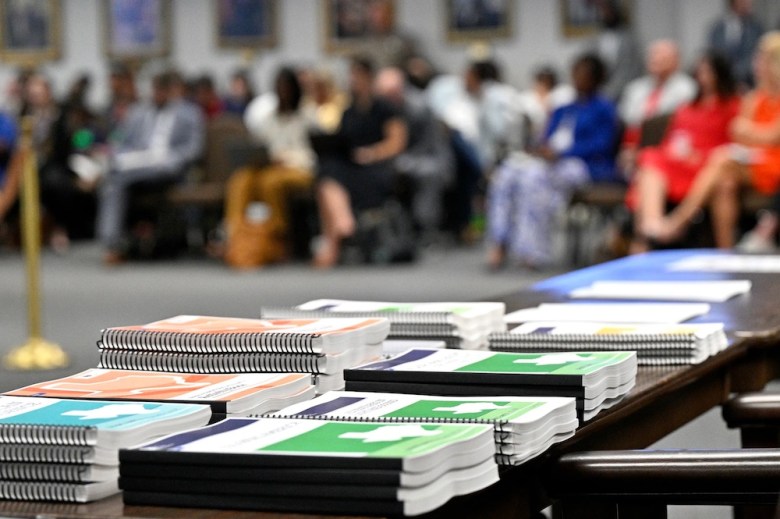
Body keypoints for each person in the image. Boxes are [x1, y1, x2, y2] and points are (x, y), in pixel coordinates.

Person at [486, 53, 620, 269]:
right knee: (506, 173)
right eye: (575, 73)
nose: (577, 79)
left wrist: (562, 154)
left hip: (584, 165)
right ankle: (499, 241)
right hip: (550, 161)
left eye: (583, 74)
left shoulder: (604, 109)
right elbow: (546, 139)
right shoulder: (563, 108)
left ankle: (533, 251)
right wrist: (540, 150)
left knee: (534, 177)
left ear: (596, 78)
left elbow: (602, 145)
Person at [648, 32, 780, 250]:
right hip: (756, 161)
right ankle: (725, 252)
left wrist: (753, 133)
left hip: (773, 166)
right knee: (724, 184)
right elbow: (739, 131)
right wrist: (756, 134)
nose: (756, 64)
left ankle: (678, 221)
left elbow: (770, 135)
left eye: (762, 59)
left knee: (721, 158)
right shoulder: (755, 97)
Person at [627, 51, 740, 253]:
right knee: (650, 158)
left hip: (708, 162)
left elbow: (734, 143)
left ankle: (677, 223)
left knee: (722, 177)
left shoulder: (733, 105)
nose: (704, 77)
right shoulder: (687, 107)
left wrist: (697, 155)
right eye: (700, 72)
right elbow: (674, 138)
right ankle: (653, 226)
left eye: (708, 72)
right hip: (680, 161)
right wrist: (678, 152)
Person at [97, 71, 205, 264]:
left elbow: (194, 148)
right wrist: (120, 156)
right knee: (114, 181)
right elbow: (122, 142)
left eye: (162, 90)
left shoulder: (189, 113)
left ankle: (114, 242)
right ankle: (112, 243)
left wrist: (174, 158)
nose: (157, 94)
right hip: (138, 166)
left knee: (115, 178)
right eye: (155, 90)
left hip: (169, 168)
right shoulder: (138, 112)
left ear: (171, 91)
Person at [313, 56, 407, 268]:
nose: (353, 80)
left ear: (368, 77)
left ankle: (335, 239)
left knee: (332, 176)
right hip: (352, 165)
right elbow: (344, 141)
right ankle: (342, 224)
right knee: (327, 170)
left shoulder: (385, 108)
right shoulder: (349, 111)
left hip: (377, 167)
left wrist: (371, 153)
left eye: (357, 75)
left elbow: (396, 143)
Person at [222, 67, 317, 268]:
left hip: (298, 169)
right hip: (270, 166)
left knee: (270, 183)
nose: (283, 92)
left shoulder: (308, 116)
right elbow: (261, 146)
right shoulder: (269, 119)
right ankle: (235, 235)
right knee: (241, 179)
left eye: (286, 88)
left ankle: (278, 237)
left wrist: (286, 159)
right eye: (279, 88)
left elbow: (313, 153)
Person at [375, 66, 454, 239]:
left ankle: (425, 229)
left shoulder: (420, 109)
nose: (387, 99)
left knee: (426, 175)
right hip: (390, 159)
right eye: (384, 95)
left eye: (391, 94)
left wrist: (402, 160)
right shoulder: (378, 109)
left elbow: (430, 146)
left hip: (424, 158)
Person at [618, 40, 697, 170]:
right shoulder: (635, 88)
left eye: (662, 57)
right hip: (631, 145)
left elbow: (675, 122)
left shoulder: (687, 88)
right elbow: (628, 119)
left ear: (676, 61)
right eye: (653, 56)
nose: (656, 59)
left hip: (666, 143)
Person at [593, 0, 643, 101]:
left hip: (624, 89)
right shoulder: (598, 39)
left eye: (608, 12)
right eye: (603, 13)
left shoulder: (629, 38)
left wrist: (615, 89)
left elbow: (632, 68)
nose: (606, 15)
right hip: (602, 90)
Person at [708, 0, 765, 89]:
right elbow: (715, 54)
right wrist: (726, 77)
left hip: (747, 82)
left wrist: (737, 77)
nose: (748, 3)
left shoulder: (756, 28)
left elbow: (755, 54)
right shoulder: (717, 28)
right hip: (723, 83)